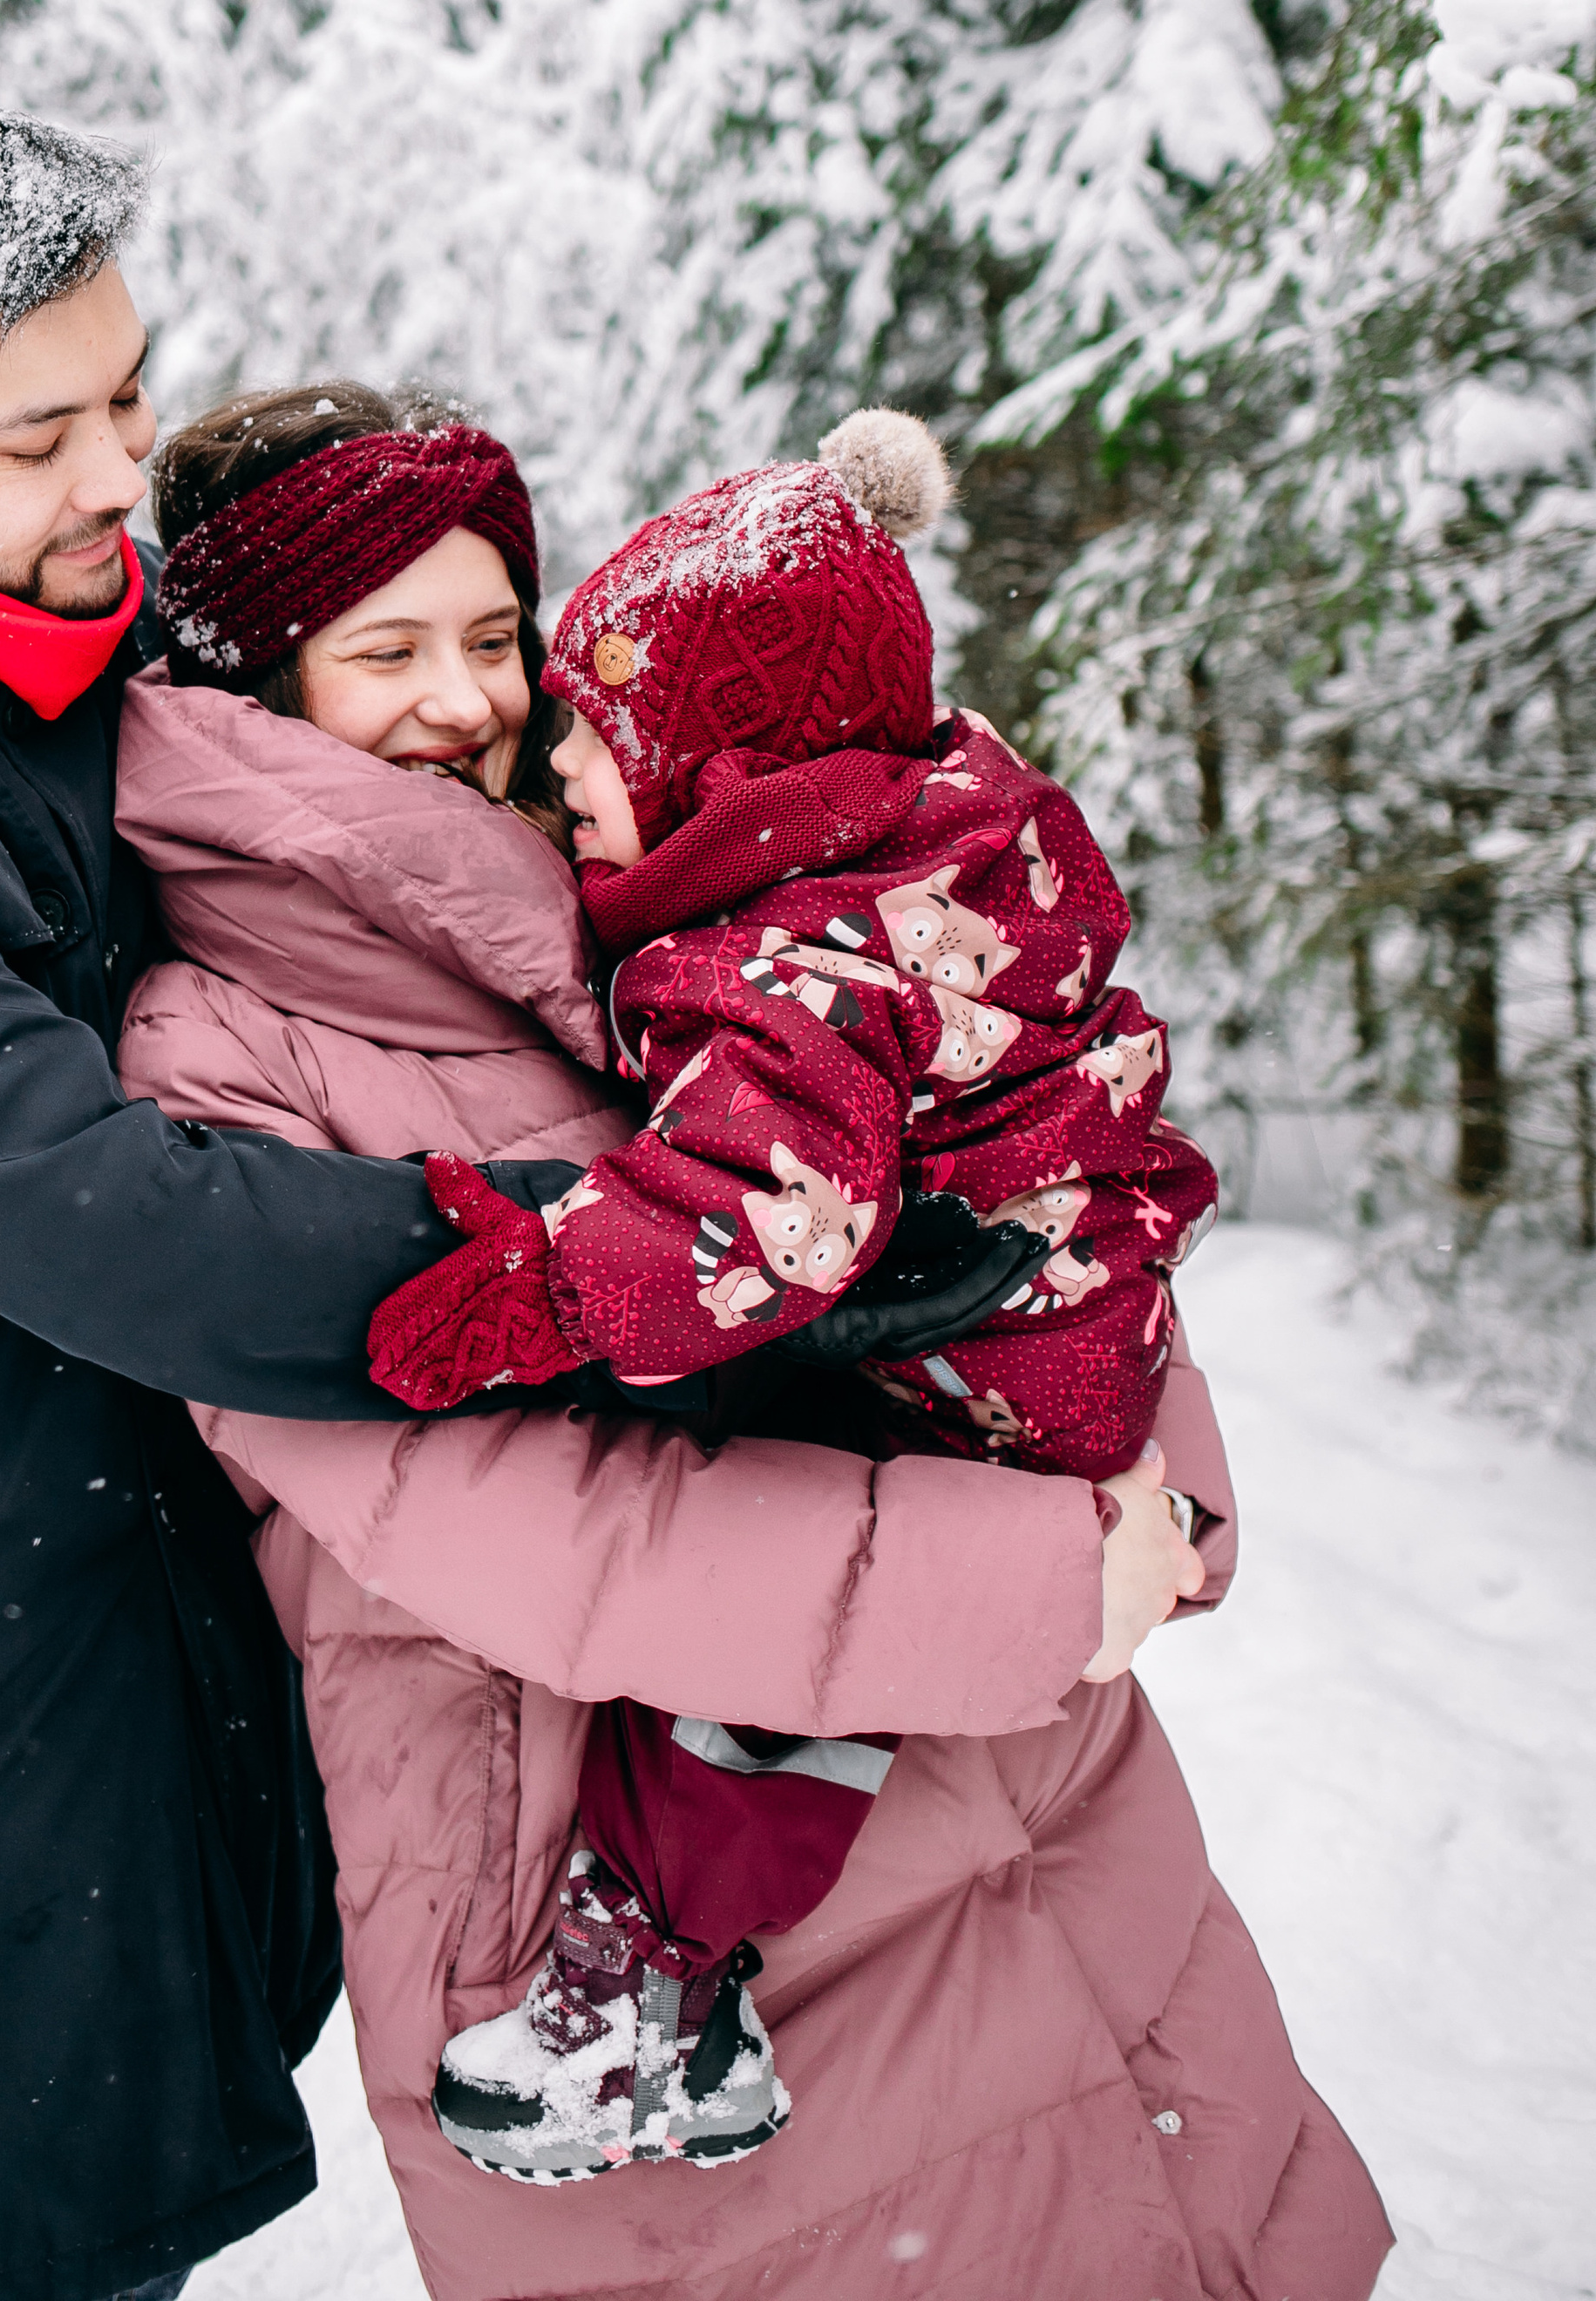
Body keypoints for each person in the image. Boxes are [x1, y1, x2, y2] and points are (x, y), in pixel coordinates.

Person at [115, 381, 1394, 2301]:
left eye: (488, 640)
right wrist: (1041, 1576)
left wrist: (1139, 1482)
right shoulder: (219, 1057)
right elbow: (506, 1521)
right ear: (247, 691)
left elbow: (1034, 1169)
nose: (463, 703)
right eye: (380, 651)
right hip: (632, 1934)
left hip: (1036, 1808)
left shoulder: (683, 873)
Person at [0, 98, 617, 2301]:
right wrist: (647, 1264)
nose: (109, 476)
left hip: (174, 1651)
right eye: (34, 431)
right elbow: (124, 1221)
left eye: (132, 397)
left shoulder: (116, 660)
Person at [370, 411, 1226, 2179]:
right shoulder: (925, 859)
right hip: (1068, 1323)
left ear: (721, 755)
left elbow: (773, 1212)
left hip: (979, 1378)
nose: (560, 766)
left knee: (757, 1664)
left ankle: (645, 1993)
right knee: (808, 1662)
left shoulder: (779, 951)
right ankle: (691, 2020)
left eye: (596, 739)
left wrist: (534, 1282)